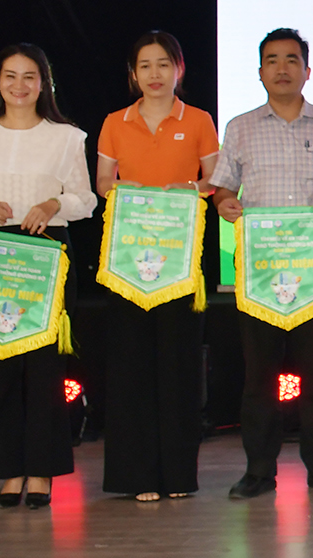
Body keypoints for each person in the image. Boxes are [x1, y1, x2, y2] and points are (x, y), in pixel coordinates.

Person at [209, 28, 313, 500]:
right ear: (259, 72)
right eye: (272, 60)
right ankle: (258, 471)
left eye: (291, 60)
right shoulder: (240, 126)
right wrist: (224, 203)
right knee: (259, 374)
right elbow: (222, 188)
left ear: (307, 71)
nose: (282, 68)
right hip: (260, 263)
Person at [0, 43, 98, 508]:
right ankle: (9, 470)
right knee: (2, 366)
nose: (19, 85)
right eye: (10, 76)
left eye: (29, 77)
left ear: (44, 83)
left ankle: (43, 472)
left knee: (46, 369)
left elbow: (85, 200)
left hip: (46, 253)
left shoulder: (67, 137)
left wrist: (53, 204)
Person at [94, 31, 219, 501]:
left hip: (182, 256)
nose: (154, 74)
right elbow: (104, 183)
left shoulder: (200, 120)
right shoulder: (114, 122)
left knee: (179, 365)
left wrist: (187, 190)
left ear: (179, 69)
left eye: (163, 64)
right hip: (129, 255)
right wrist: (136, 197)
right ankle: (137, 477)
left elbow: (215, 180)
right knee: (132, 367)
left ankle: (179, 476)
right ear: (133, 74)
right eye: (144, 66)